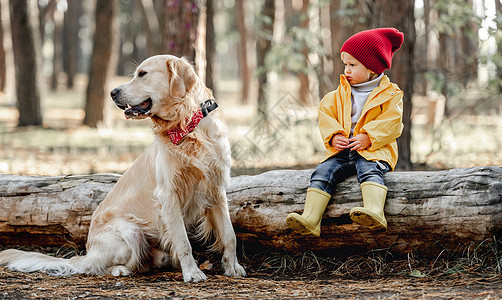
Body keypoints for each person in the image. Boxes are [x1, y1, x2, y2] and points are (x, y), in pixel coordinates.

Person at [286, 27, 404, 237]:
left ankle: (375, 212)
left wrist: (369, 137)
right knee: (322, 172)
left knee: (370, 170)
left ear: (371, 67)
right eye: (345, 65)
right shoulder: (340, 93)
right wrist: (335, 136)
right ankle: (311, 219)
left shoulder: (391, 95)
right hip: (343, 150)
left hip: (373, 151)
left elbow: (393, 122)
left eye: (352, 65)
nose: (346, 70)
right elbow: (325, 112)